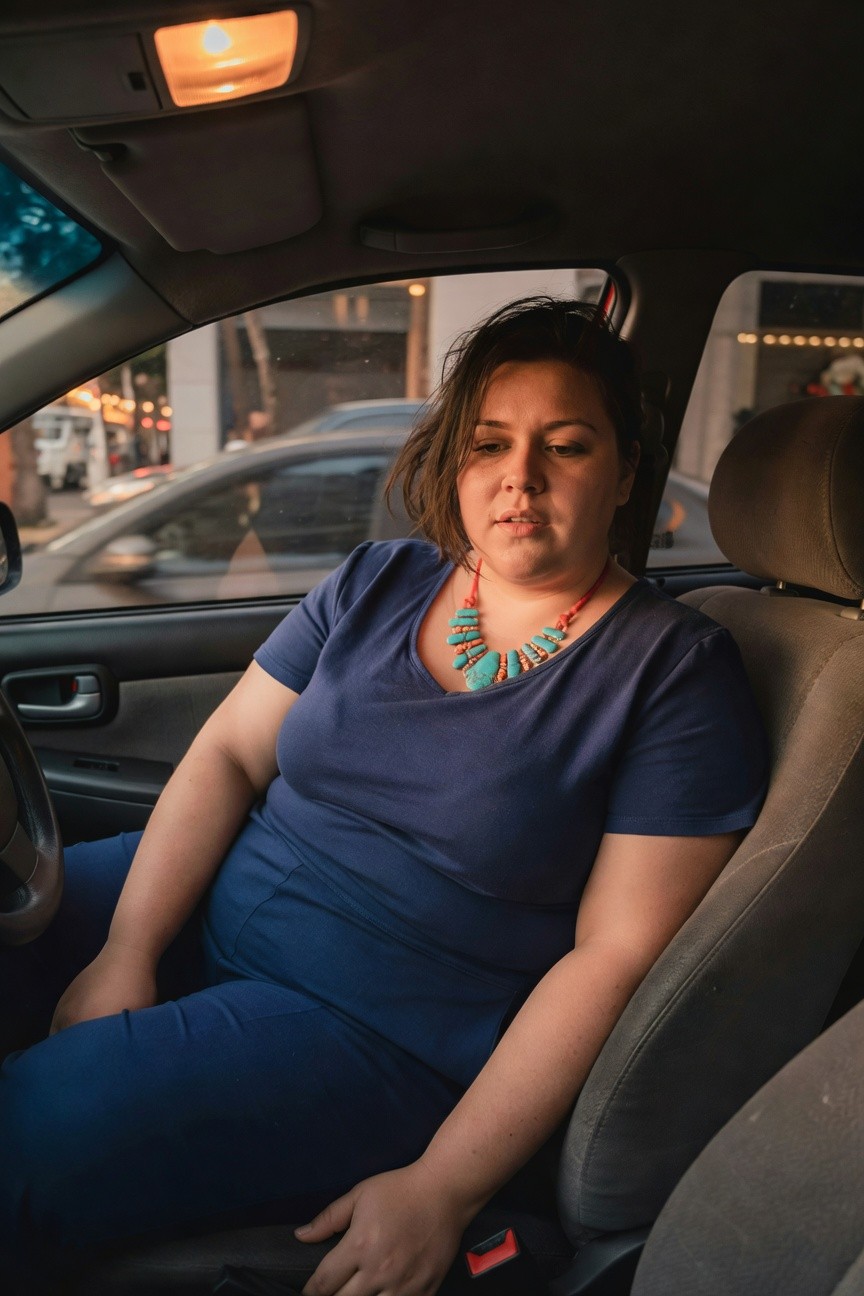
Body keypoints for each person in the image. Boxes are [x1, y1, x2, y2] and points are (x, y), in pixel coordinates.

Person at [0, 297, 769, 1294]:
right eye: (489, 443)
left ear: (626, 473)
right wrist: (128, 952)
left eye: (568, 446)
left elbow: (612, 958)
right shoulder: (379, 580)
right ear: (457, 462)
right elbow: (231, 753)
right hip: (209, 913)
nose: (520, 476)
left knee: (25, 1140)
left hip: (376, 1031)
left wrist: (444, 1185)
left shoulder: (673, 673)